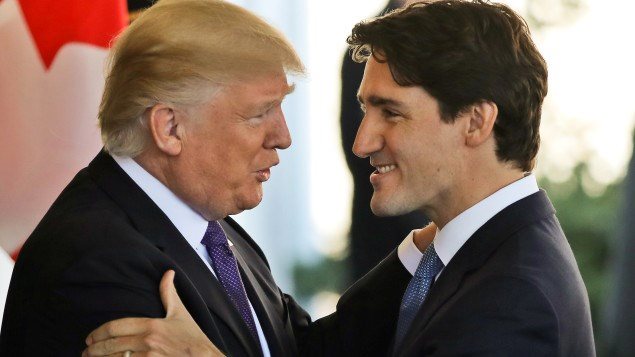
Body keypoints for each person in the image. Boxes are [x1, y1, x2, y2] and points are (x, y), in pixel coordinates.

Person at [83, 1, 596, 356]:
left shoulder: (512, 300)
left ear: (475, 122)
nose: (362, 142)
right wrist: (422, 251)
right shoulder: (461, 258)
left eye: (390, 113)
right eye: (363, 110)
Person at [1, 0, 413, 355]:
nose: (283, 137)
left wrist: (425, 247)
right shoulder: (94, 261)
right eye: (259, 114)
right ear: (170, 128)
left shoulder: (208, 226)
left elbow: (295, 347)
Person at [340, 0, 428, 284]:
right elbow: (362, 154)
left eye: (390, 112)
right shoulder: (368, 48)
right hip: (383, 239)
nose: (363, 142)